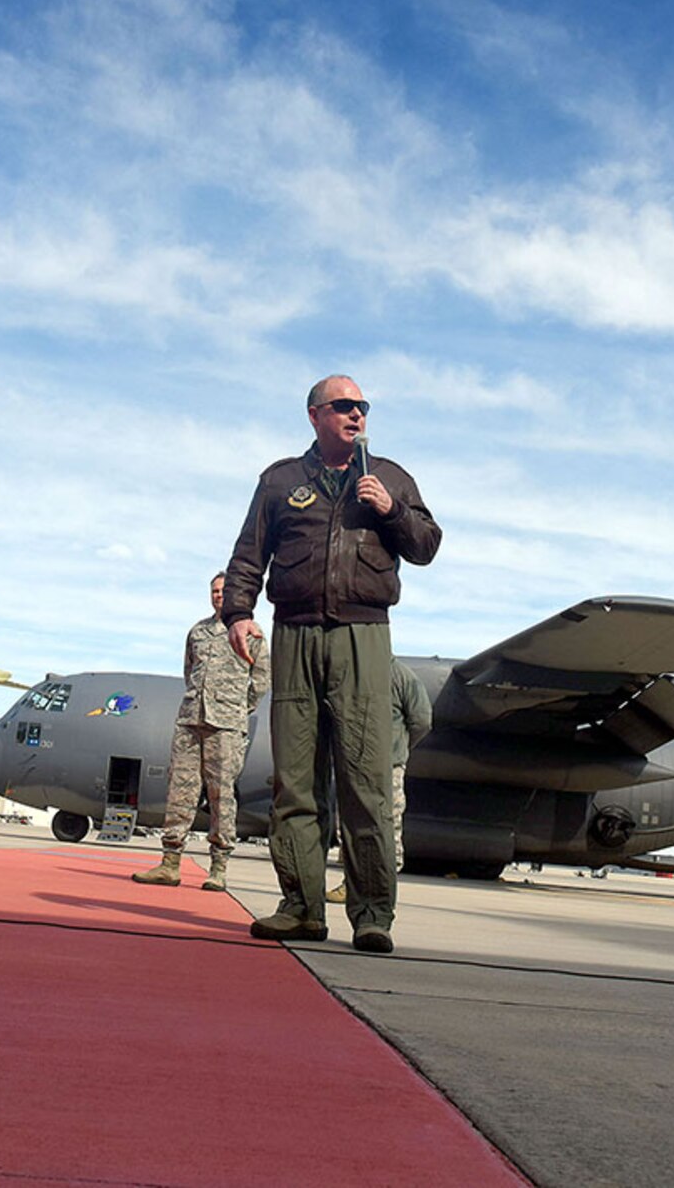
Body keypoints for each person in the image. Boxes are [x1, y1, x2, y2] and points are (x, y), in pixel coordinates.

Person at [222, 376, 441, 953]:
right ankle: (300, 907)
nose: (357, 414)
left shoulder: (390, 476)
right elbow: (250, 554)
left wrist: (391, 510)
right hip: (293, 633)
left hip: (363, 635)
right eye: (345, 406)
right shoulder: (280, 481)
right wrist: (239, 614)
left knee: (365, 779)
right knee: (295, 781)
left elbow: (426, 544)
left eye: (363, 407)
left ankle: (372, 914)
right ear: (316, 415)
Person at [133, 571, 268, 893]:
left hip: (226, 725)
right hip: (191, 721)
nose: (219, 595)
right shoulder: (197, 631)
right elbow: (188, 671)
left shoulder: (252, 635)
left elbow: (262, 682)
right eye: (215, 591)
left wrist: (236, 709)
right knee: (180, 792)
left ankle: (218, 868)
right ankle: (169, 864)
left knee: (222, 796)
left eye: (224, 590)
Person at [328, 657, 432, 903]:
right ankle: (351, 884)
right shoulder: (351, 672)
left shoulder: (401, 675)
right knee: (348, 824)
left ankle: (385, 887)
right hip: (353, 763)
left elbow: (422, 720)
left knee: (388, 822)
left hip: (388, 766)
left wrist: (398, 749)